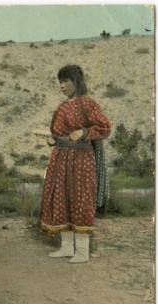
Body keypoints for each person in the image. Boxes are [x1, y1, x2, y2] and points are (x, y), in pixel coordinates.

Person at [39, 65, 111, 263]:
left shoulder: (87, 104)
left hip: (81, 160)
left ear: (77, 82)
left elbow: (104, 127)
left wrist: (85, 132)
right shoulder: (61, 108)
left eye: (66, 81)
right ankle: (66, 248)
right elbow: (56, 133)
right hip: (60, 159)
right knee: (61, 198)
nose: (62, 86)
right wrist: (52, 140)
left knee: (80, 199)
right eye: (60, 82)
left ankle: (82, 252)